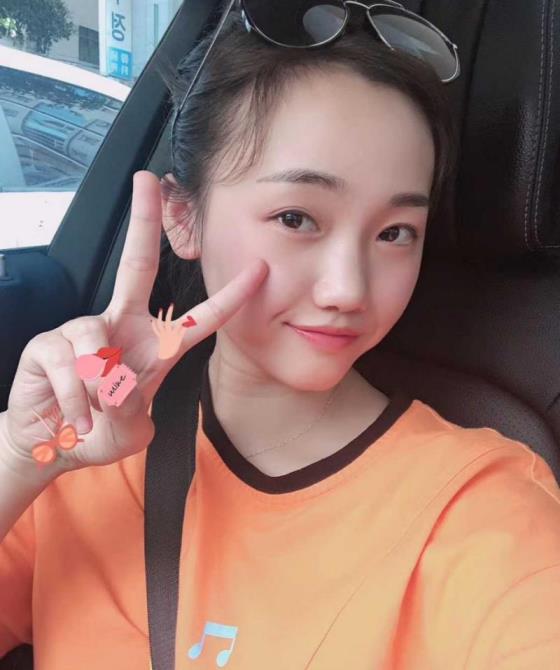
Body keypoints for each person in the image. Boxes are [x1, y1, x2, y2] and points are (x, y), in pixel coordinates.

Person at [1, 2, 560, 669]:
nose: (348, 289)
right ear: (183, 217)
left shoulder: (480, 508)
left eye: (394, 233)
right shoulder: (82, 446)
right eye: (297, 218)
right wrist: (17, 455)